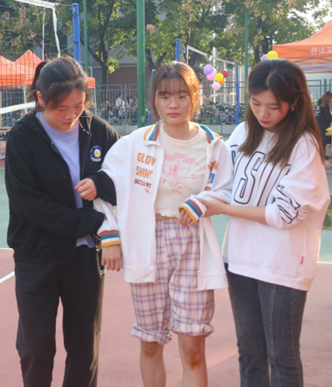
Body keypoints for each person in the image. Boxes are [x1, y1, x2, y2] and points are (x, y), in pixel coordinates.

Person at [78, 61, 233, 387]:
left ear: (195, 98)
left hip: (192, 245)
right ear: (155, 101)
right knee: (150, 342)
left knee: (193, 348)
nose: (173, 104)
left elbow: (226, 190)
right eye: (164, 96)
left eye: (181, 96)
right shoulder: (135, 143)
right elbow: (100, 188)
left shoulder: (213, 144)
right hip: (146, 243)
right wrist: (110, 236)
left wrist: (200, 202)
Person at [200, 59, 330, 386]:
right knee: (250, 353)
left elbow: (282, 215)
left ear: (294, 102)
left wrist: (223, 209)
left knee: (282, 357)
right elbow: (222, 183)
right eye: (256, 103)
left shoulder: (304, 144)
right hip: (240, 259)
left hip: (282, 264)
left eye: (274, 106)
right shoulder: (243, 133)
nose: (263, 113)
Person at [4, 56, 119, 387]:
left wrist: (101, 185)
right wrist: (89, 222)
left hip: (85, 257)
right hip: (37, 255)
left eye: (78, 106)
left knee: (84, 348)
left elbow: (123, 181)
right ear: (41, 99)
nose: (70, 115)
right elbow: (27, 203)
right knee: (37, 347)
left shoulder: (100, 131)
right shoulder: (23, 136)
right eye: (60, 108)